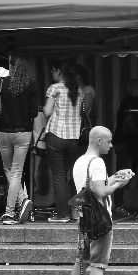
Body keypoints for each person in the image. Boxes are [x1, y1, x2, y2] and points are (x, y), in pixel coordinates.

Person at [69, 126, 130, 275]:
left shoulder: (80, 161)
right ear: (98, 141)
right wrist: (120, 184)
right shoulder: (98, 162)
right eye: (109, 141)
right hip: (100, 219)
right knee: (98, 265)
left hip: (84, 218)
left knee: (80, 261)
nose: (111, 145)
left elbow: (93, 187)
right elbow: (101, 193)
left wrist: (115, 177)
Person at [0, 55, 40, 225]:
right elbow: (33, 113)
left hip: (3, 131)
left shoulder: (1, 83)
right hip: (23, 132)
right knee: (16, 172)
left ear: (11, 67)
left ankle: (14, 208)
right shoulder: (31, 85)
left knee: (9, 170)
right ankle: (17, 204)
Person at [44, 59, 84, 223]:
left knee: (59, 176)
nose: (52, 74)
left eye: (53, 71)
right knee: (70, 175)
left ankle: (62, 214)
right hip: (73, 138)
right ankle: (75, 211)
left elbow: (47, 112)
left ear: (59, 71)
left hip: (56, 135)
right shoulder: (78, 90)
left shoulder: (55, 88)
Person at [114, 78, 138, 215]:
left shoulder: (125, 101)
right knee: (123, 174)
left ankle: (121, 204)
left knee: (123, 173)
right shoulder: (134, 101)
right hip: (127, 142)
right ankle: (119, 205)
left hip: (122, 141)